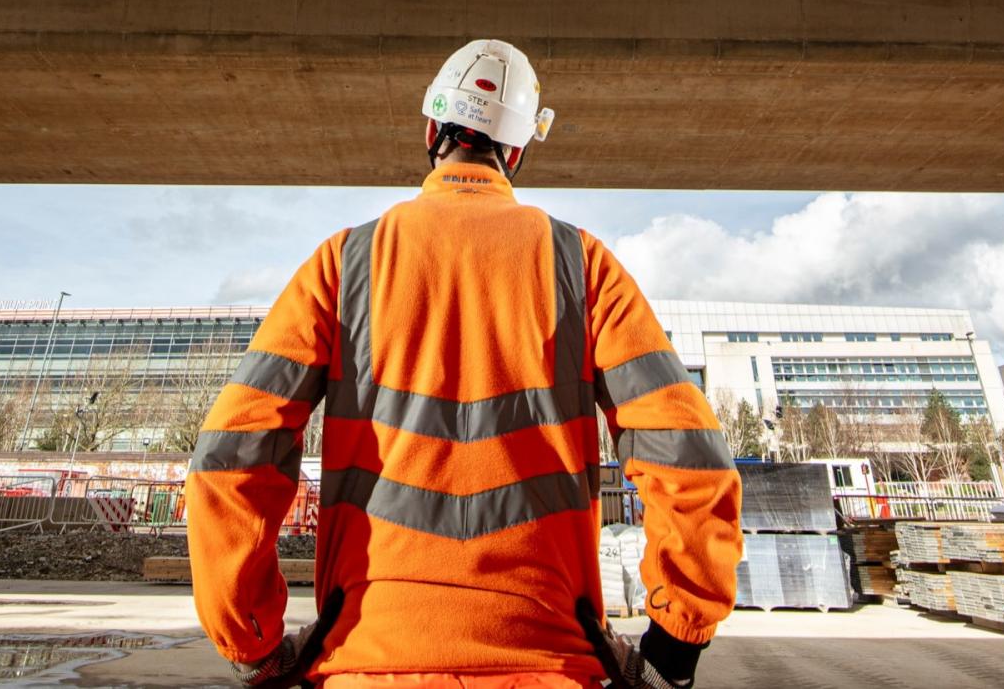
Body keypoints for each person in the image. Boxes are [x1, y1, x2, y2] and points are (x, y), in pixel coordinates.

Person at [184, 39, 743, 688]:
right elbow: (691, 461)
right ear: (516, 151)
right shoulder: (580, 266)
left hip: (365, 664)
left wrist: (252, 641)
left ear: (431, 129)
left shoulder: (344, 265)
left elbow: (229, 458)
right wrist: (675, 644)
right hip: (550, 667)